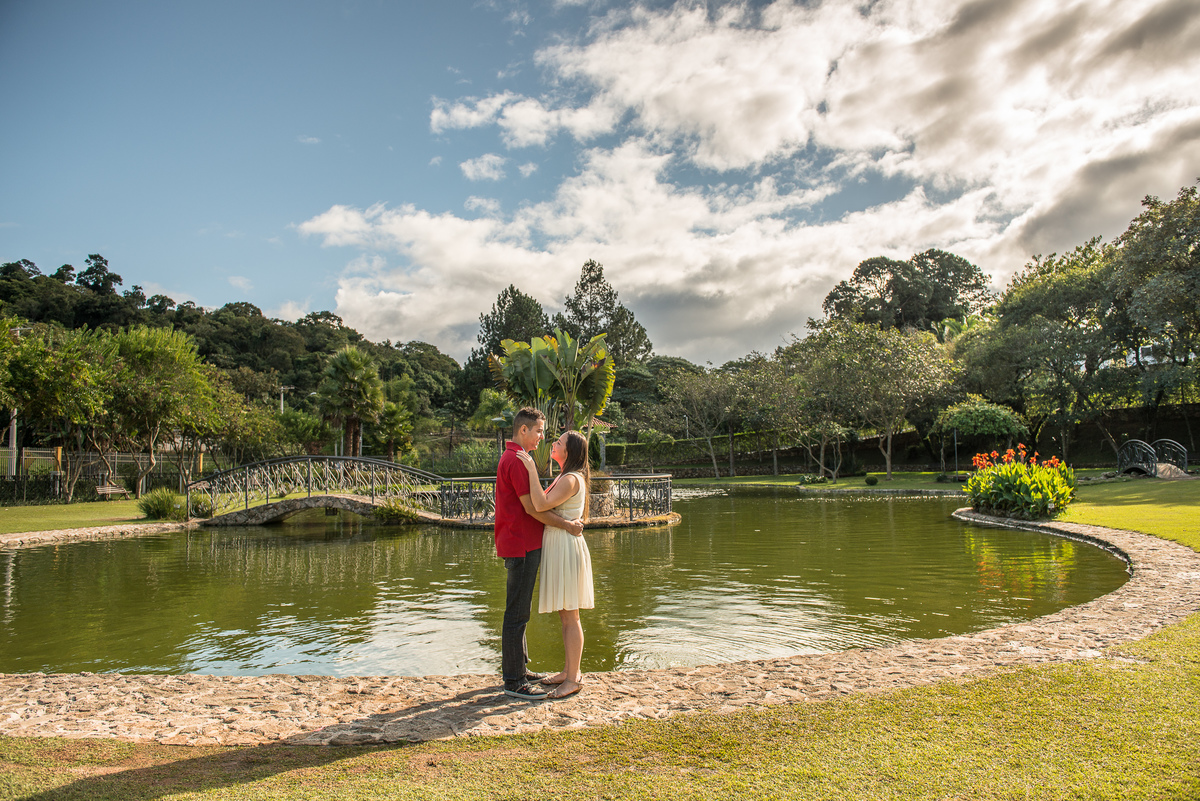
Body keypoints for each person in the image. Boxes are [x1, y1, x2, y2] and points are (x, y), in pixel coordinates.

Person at [494, 407, 583, 700]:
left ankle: (519, 668)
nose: (543, 438)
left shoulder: (520, 459)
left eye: (546, 434)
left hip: (525, 542)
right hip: (521, 543)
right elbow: (534, 507)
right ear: (523, 430)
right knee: (517, 613)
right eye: (539, 431)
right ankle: (514, 680)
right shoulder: (520, 461)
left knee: (520, 611)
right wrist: (568, 525)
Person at [515, 430, 593, 700]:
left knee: (571, 616)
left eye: (559, 442)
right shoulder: (565, 476)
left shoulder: (571, 479)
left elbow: (541, 503)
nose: (553, 444)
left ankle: (573, 678)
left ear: (568, 451)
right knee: (566, 615)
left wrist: (530, 468)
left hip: (566, 548)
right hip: (560, 545)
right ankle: (569, 671)